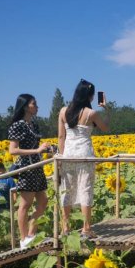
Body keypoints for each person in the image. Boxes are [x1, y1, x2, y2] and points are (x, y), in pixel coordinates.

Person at [58, 79, 109, 238]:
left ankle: (65, 228)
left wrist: (61, 156)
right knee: (85, 189)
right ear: (90, 96)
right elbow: (106, 128)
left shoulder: (63, 111)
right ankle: (86, 229)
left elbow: (61, 136)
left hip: (68, 154)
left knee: (67, 190)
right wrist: (107, 110)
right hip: (85, 155)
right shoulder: (91, 113)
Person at [8, 94, 50, 249]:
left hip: (37, 167)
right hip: (26, 168)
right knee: (25, 204)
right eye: (34, 104)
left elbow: (36, 147)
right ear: (26, 106)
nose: (37, 106)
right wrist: (36, 150)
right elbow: (13, 150)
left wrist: (44, 149)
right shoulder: (17, 125)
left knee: (43, 201)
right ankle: (23, 238)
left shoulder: (34, 124)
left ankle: (32, 233)